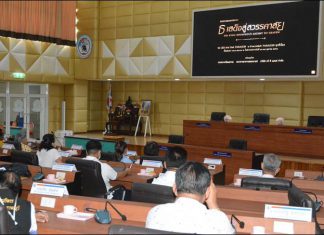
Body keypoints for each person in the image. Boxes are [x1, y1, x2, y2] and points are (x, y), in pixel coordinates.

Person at [146, 162, 235, 234]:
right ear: (208, 192)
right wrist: (213, 205)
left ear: (174, 188)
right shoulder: (218, 220)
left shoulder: (156, 212)